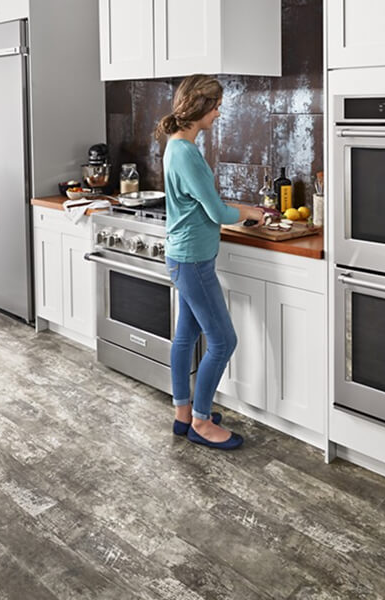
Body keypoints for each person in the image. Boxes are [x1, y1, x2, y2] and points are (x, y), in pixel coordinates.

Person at [155, 74, 265, 450]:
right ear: (200, 107)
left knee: (186, 335)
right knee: (223, 340)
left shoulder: (176, 146)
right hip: (192, 260)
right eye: (216, 105)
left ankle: (183, 414)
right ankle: (202, 421)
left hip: (185, 255)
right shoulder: (186, 152)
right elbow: (216, 211)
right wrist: (250, 211)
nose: (219, 112)